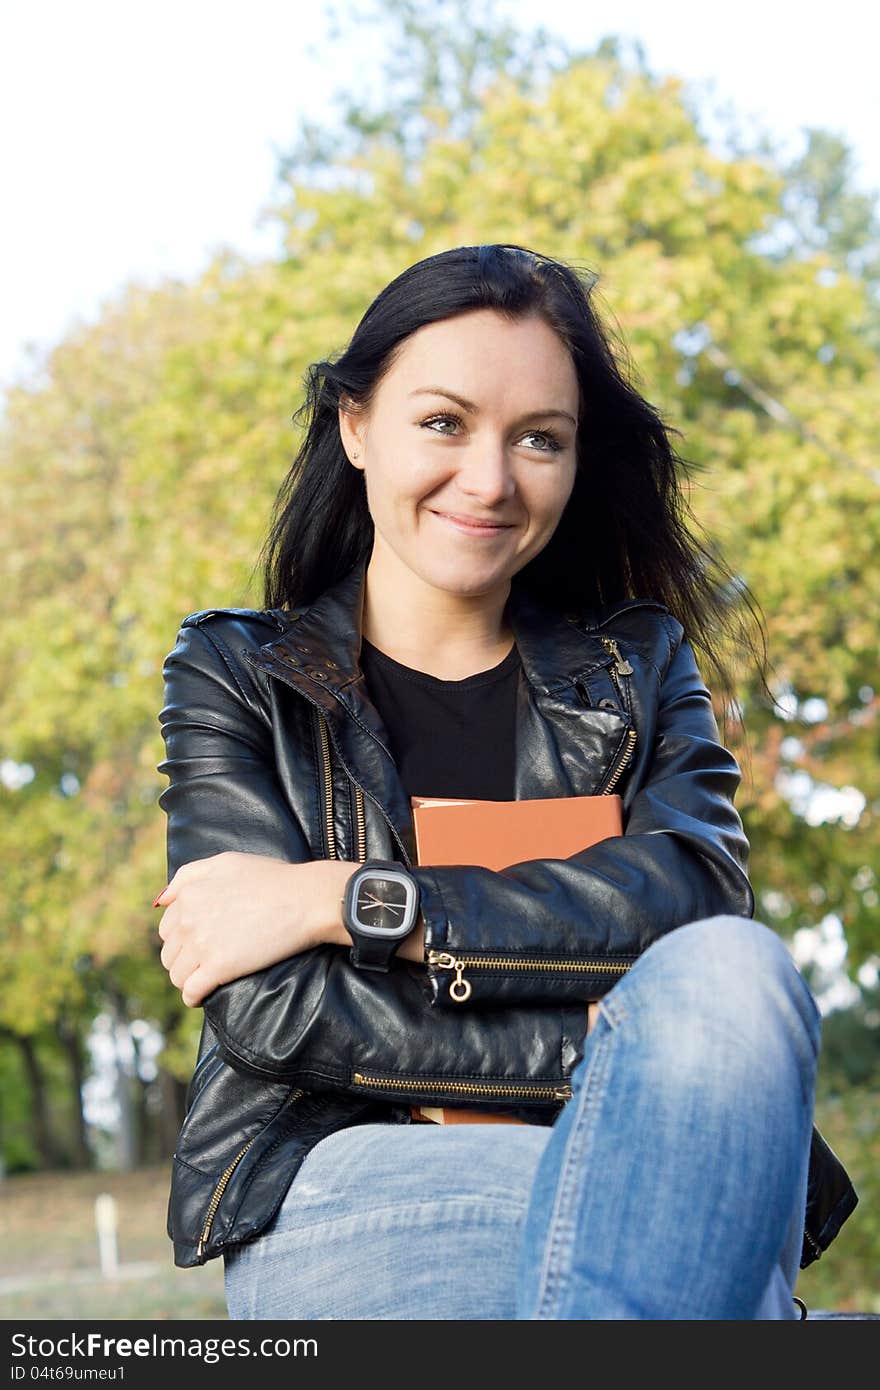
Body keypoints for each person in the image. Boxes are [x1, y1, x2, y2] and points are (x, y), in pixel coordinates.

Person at [154, 243, 856, 1320]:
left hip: (626, 1162)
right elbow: (276, 1006)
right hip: (340, 1177)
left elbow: (691, 908)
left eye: (539, 439)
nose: (490, 478)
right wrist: (622, 1067)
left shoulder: (640, 666)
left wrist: (344, 901)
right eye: (443, 422)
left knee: (732, 974)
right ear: (355, 425)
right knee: (668, 1215)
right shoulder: (238, 675)